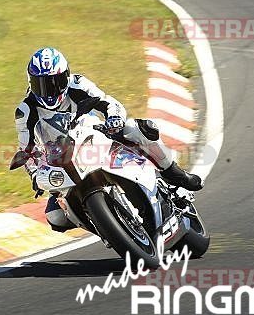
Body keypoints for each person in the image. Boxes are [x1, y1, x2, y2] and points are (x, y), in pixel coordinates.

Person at [14, 47, 203, 232]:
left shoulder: (77, 84)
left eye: (55, 82)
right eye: (42, 84)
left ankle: (173, 172)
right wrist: (34, 173)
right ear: (31, 83)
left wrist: (114, 119)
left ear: (66, 76)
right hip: (62, 160)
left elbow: (108, 103)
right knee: (55, 217)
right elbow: (27, 150)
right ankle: (107, 228)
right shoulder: (25, 111)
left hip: (95, 135)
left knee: (136, 128)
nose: (49, 90)